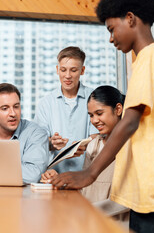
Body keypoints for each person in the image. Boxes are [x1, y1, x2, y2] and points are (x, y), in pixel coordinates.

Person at [51, 0, 154, 232]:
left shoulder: (149, 56)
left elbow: (129, 121)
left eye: (111, 29)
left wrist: (89, 173)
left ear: (130, 19)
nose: (111, 39)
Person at [42, 86, 129, 222]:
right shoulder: (94, 145)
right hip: (88, 220)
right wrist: (60, 181)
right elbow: (85, 188)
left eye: (99, 113)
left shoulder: (130, 147)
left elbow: (127, 199)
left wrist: (86, 210)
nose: (94, 120)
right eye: (91, 115)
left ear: (118, 109)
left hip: (114, 224)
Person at [34, 46, 97, 173]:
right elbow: (37, 144)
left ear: (82, 70)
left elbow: (97, 139)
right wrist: (51, 143)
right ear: (57, 70)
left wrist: (85, 147)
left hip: (85, 177)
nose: (67, 76)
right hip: (54, 176)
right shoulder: (45, 103)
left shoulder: (94, 98)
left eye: (73, 70)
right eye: (63, 70)